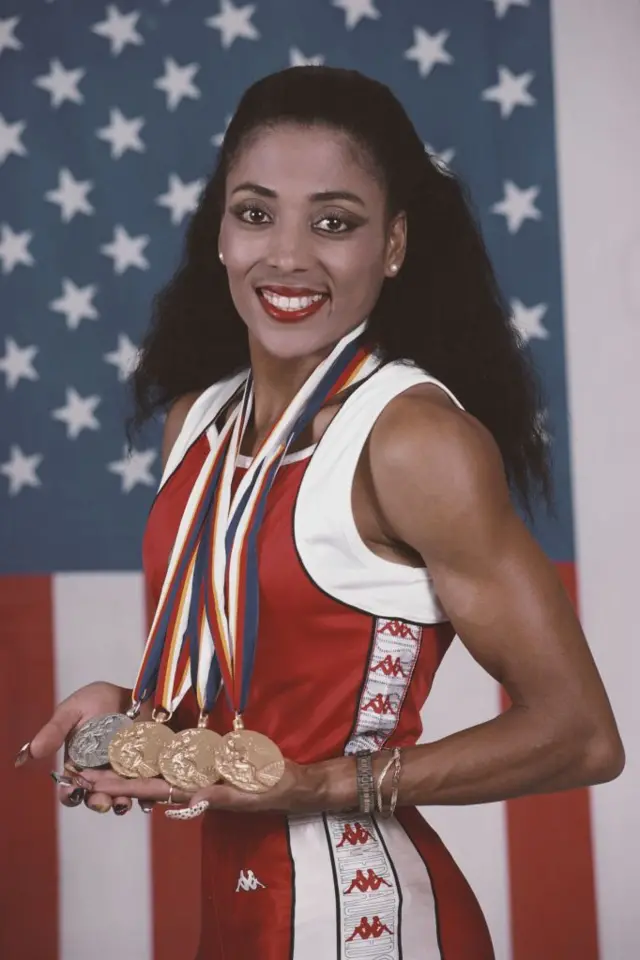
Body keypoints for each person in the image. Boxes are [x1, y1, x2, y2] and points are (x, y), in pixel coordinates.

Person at [17, 67, 624, 959]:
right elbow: (264, 685)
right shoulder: (199, 422)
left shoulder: (414, 440)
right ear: (220, 231)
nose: (288, 255)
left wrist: (321, 785)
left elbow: (581, 736)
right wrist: (139, 712)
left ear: (394, 244)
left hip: (366, 919)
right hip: (234, 911)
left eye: (334, 222)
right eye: (255, 213)